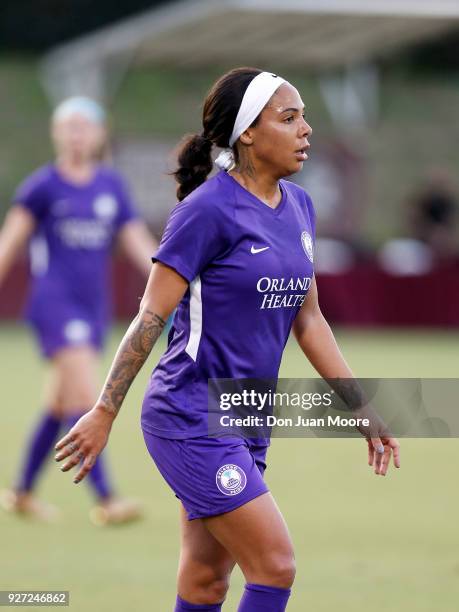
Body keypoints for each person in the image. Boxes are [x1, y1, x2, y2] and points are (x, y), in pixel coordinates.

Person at [54, 69, 400, 610]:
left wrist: (358, 405)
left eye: (304, 116)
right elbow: (149, 318)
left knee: (205, 581)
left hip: (245, 417)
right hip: (189, 416)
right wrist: (104, 410)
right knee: (276, 565)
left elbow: (308, 320)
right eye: (289, 118)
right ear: (247, 135)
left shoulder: (300, 208)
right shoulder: (205, 211)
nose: (306, 129)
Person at [0, 96, 157, 525]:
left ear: (99, 134)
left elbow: (139, 244)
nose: (75, 135)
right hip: (54, 305)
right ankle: (107, 500)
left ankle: (21, 492)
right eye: (67, 126)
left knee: (60, 404)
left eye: (83, 127)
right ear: (56, 133)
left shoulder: (111, 187)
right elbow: (9, 244)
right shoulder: (42, 186)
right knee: (88, 397)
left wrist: (179, 283)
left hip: (93, 310)